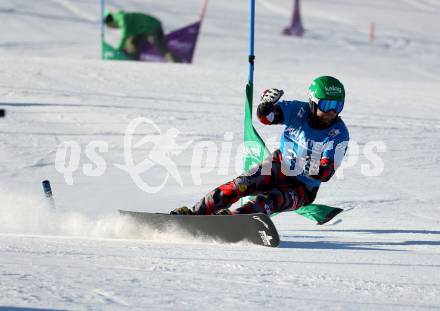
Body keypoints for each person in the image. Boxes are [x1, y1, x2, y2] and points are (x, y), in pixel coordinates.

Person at [172, 76, 350, 216]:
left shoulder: (339, 133)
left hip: (303, 188)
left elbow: (327, 171)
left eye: (337, 106)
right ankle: (196, 214)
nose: (332, 112)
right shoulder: (298, 111)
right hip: (278, 166)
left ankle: (236, 219)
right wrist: (265, 107)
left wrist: (315, 168)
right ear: (313, 101)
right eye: (327, 105)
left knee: (270, 200)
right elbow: (267, 118)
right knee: (241, 184)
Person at [104, 11, 178, 62]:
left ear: (112, 21)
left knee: (158, 44)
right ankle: (136, 61)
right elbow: (130, 36)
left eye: (111, 26)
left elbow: (125, 35)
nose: (113, 28)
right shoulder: (123, 19)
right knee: (132, 42)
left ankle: (174, 60)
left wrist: (118, 50)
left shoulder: (124, 19)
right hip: (144, 30)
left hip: (153, 26)